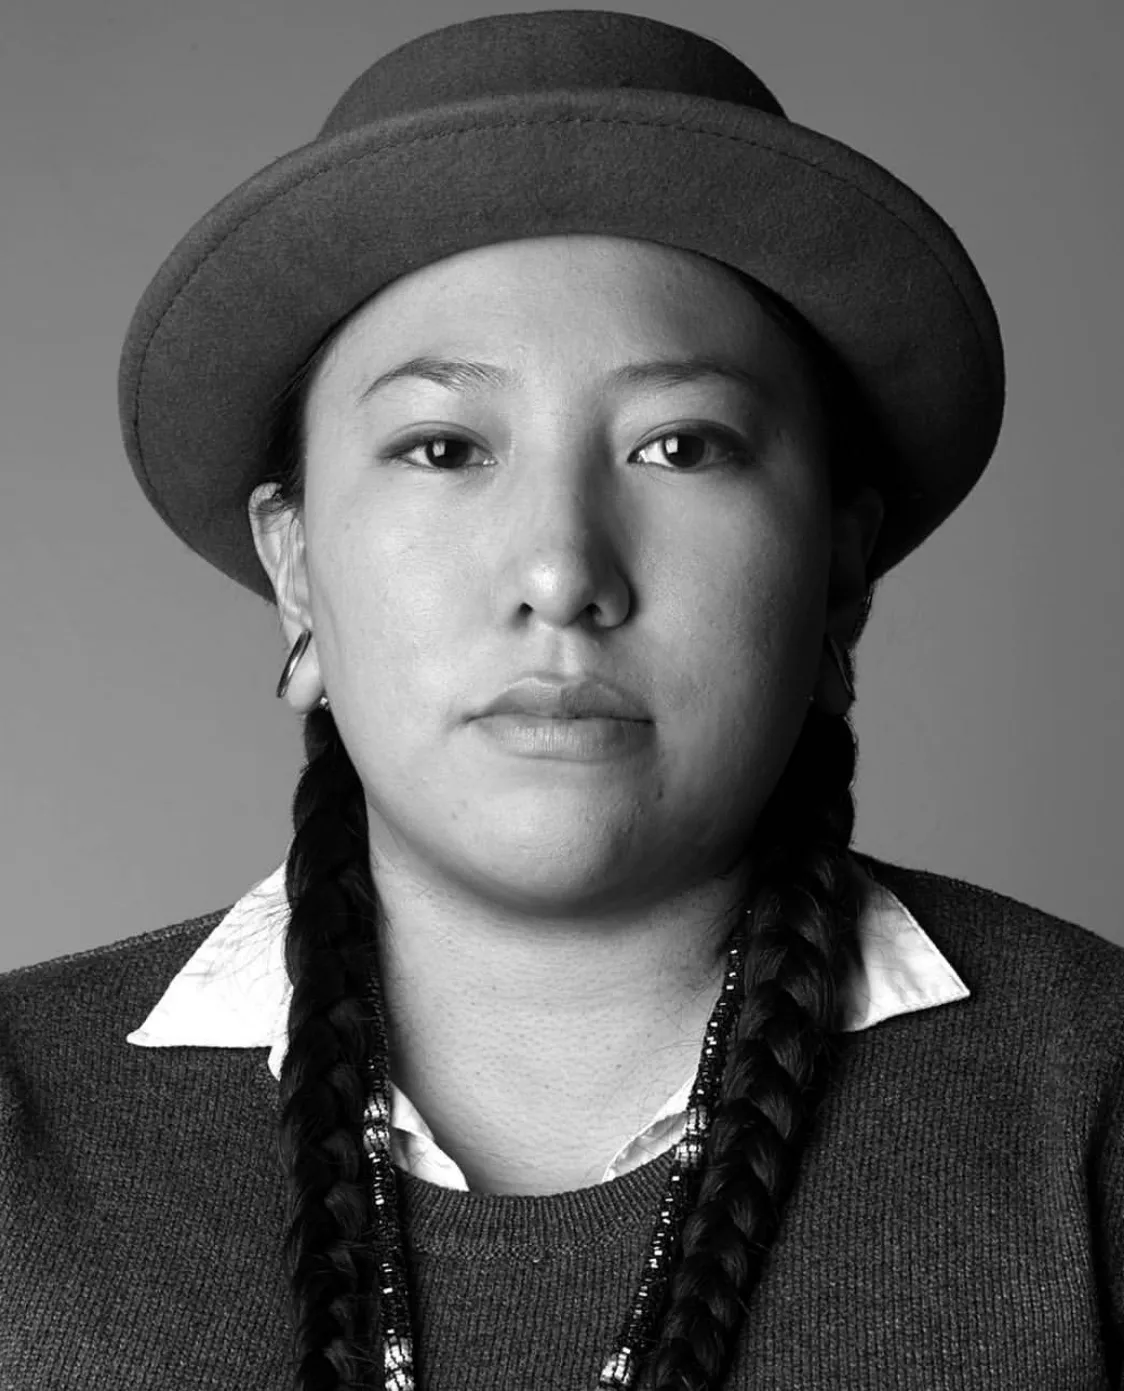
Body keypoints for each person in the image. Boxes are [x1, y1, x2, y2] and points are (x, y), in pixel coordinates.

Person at [2, 9, 1121, 1390]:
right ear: (296, 568)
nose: (561, 572)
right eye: (443, 447)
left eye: (680, 445)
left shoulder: (1092, 1099)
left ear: (837, 568)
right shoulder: (18, 1130)